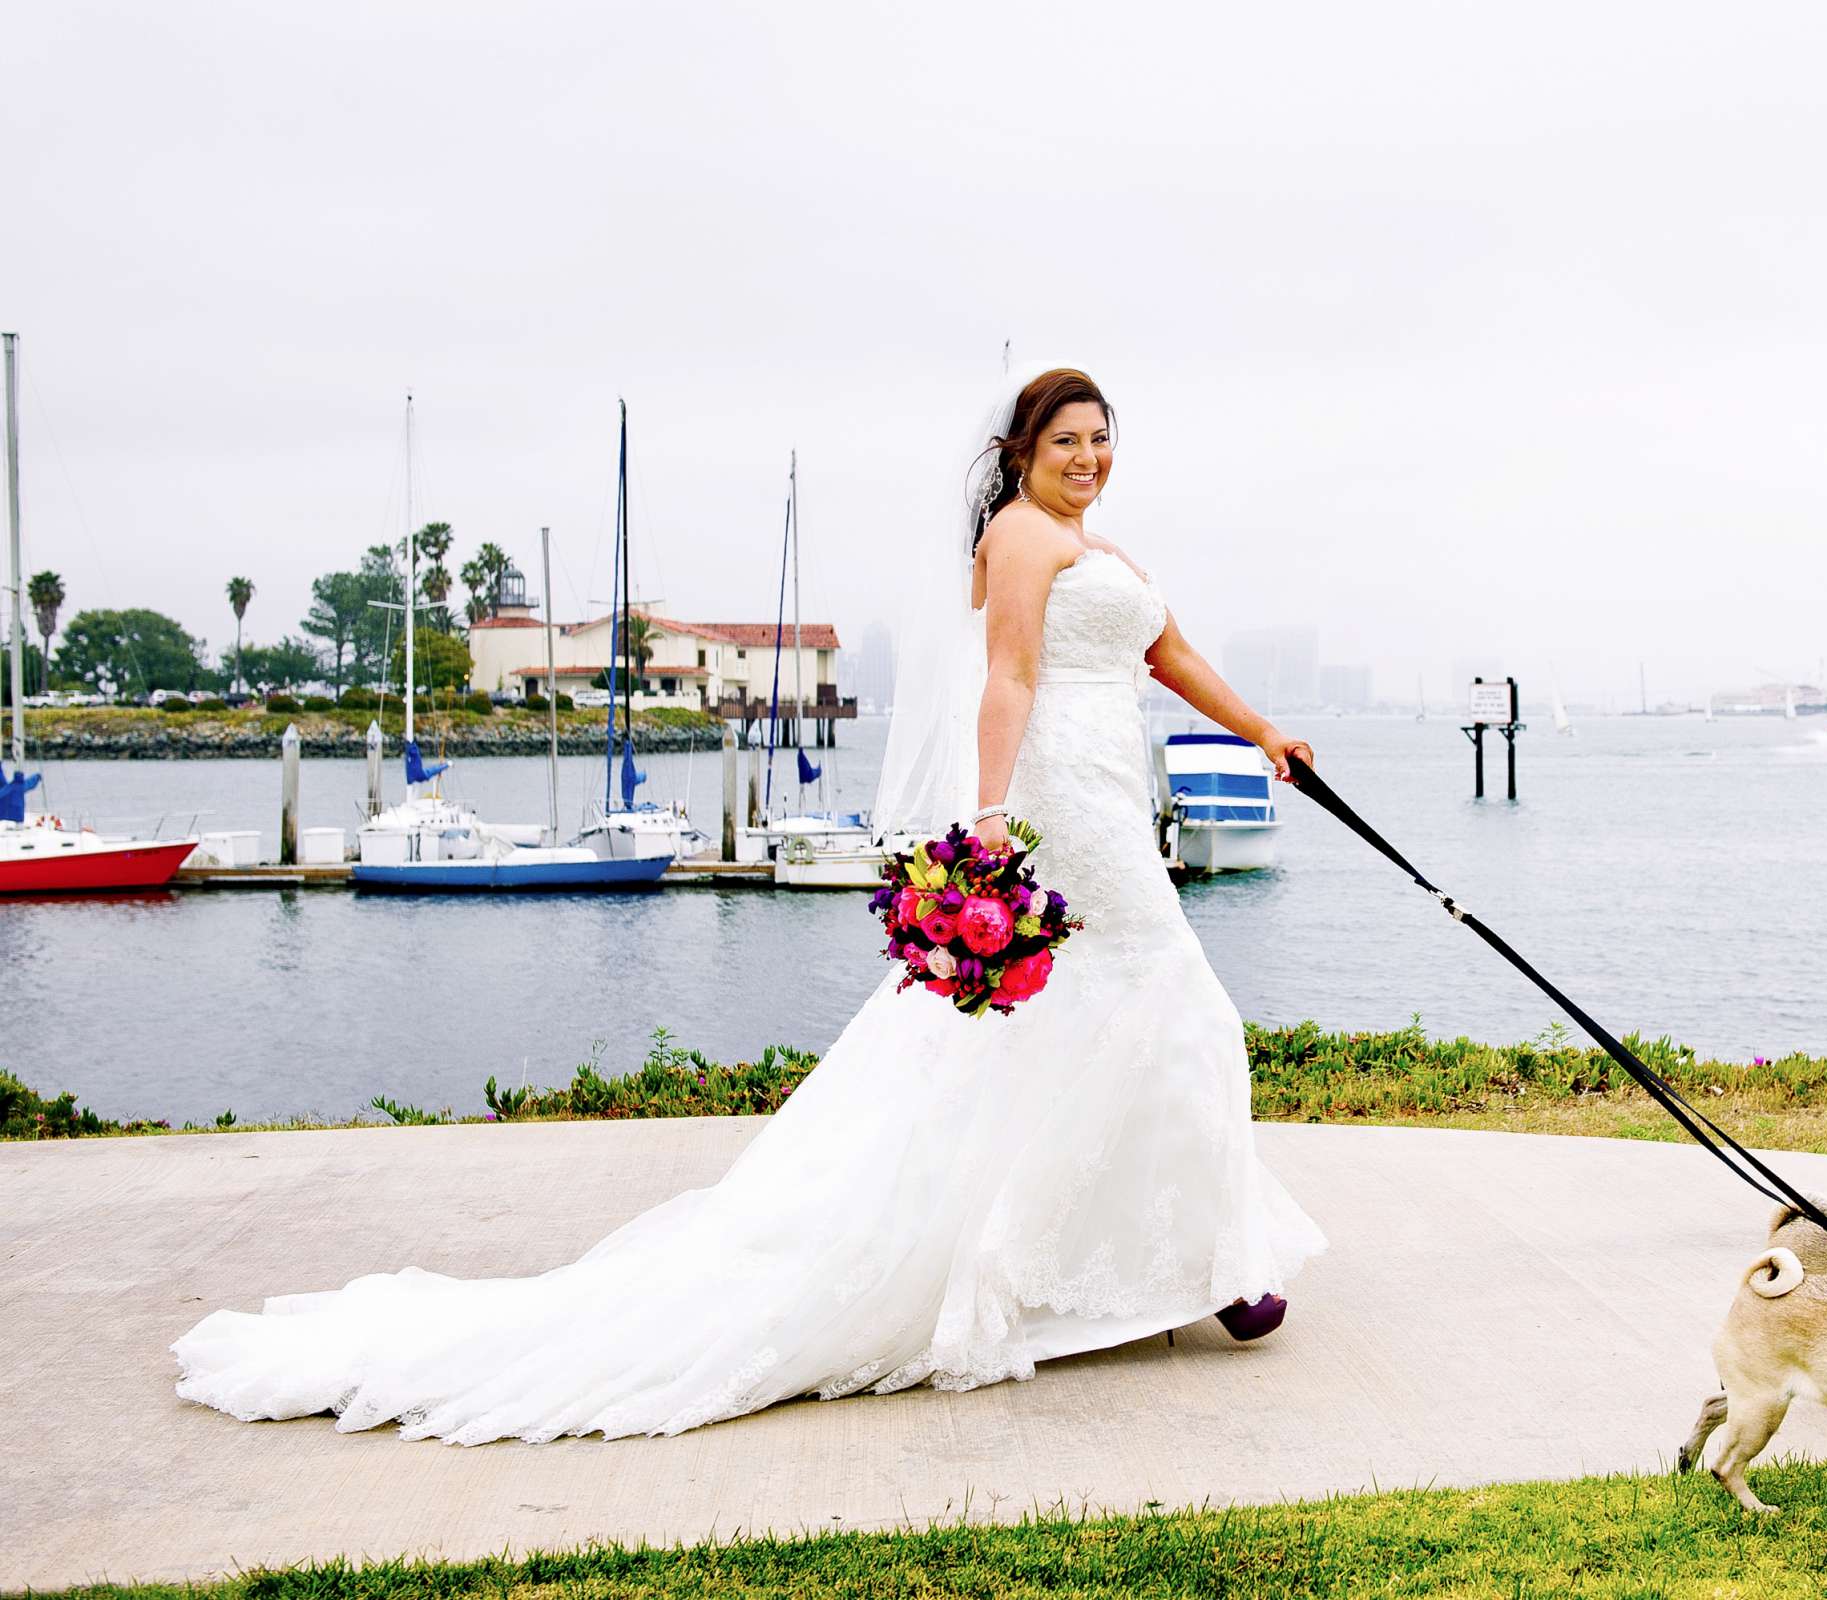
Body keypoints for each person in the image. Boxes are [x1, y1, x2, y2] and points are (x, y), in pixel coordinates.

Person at [169, 366, 1328, 1445]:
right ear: (1021, 451)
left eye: (1101, 439)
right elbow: (1010, 679)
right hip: (1063, 796)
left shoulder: (1094, 543)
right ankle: (1220, 1268)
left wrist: (1262, 729)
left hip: (1115, 784)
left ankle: (1144, 1255)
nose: (1088, 457)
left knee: (1088, 1024)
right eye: (1065, 441)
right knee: (1173, 1001)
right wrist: (986, 826)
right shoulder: (1024, 539)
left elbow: (1168, 655)